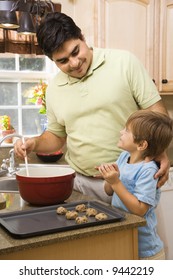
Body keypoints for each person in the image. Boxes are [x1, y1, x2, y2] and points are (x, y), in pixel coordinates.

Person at [14, 12, 170, 203]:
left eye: (75, 51)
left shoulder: (124, 63)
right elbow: (56, 136)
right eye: (63, 61)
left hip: (130, 182)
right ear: (52, 61)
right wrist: (34, 143)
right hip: (79, 184)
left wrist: (159, 150)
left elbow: (158, 114)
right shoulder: (54, 88)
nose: (74, 63)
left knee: (141, 234)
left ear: (82, 37)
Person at [98, 110, 173, 259]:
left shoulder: (148, 170)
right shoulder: (124, 157)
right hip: (125, 239)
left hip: (146, 253)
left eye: (127, 130)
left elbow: (140, 210)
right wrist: (109, 178)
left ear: (141, 144)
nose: (121, 131)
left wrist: (116, 181)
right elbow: (109, 191)